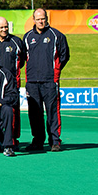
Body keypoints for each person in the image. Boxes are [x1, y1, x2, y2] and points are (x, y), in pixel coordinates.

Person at [23, 8, 70, 152]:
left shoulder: (57, 36)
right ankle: (37, 140)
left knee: (52, 111)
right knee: (34, 112)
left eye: (43, 18)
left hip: (50, 81)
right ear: (33, 19)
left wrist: (55, 71)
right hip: (32, 82)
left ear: (46, 18)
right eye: (38, 19)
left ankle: (55, 140)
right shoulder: (27, 37)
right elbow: (23, 58)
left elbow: (64, 55)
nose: (40, 21)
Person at [0, 17, 26, 145]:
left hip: (11, 85)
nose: (4, 29)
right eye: (1, 27)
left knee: (12, 112)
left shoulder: (16, 42)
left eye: (6, 26)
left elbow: (22, 60)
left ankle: (13, 138)